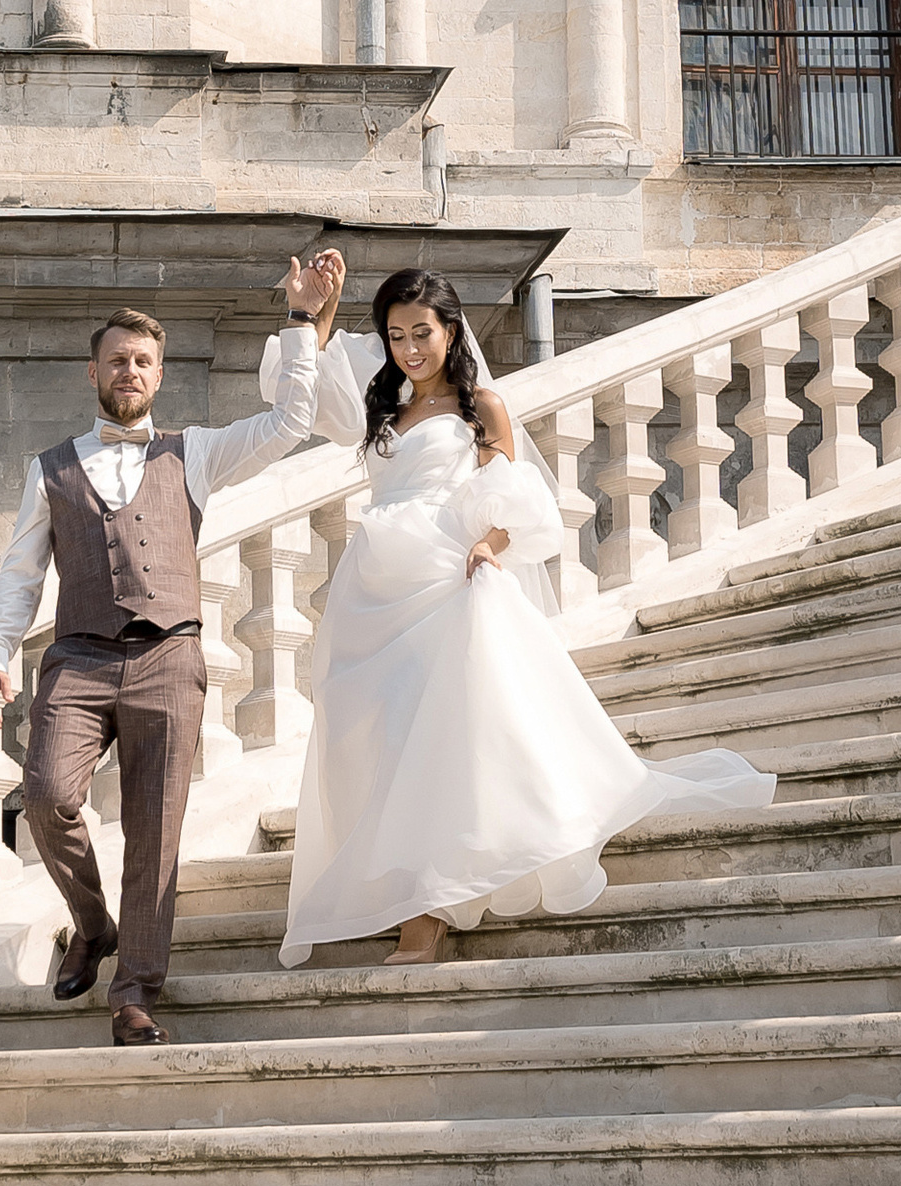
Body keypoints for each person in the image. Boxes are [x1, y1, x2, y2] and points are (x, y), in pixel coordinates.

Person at [273, 261, 774, 969]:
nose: (410, 348)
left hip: (444, 581)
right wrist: (313, 312)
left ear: (451, 331)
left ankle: (428, 912)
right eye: (395, 335)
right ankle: (398, 883)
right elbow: (307, 391)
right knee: (373, 740)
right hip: (371, 592)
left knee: (433, 740)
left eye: (423, 332)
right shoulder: (382, 402)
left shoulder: (484, 406)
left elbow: (516, 496)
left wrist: (488, 542)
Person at [0, 251, 343, 1042]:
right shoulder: (50, 470)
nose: (130, 371)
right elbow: (19, 572)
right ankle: (92, 923)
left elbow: (291, 424)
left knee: (155, 828)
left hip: (169, 654)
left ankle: (134, 988)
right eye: (117, 360)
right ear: (94, 372)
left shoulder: (194, 451)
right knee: (44, 793)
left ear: (159, 374)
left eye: (143, 361)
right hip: (77, 657)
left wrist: (303, 322)